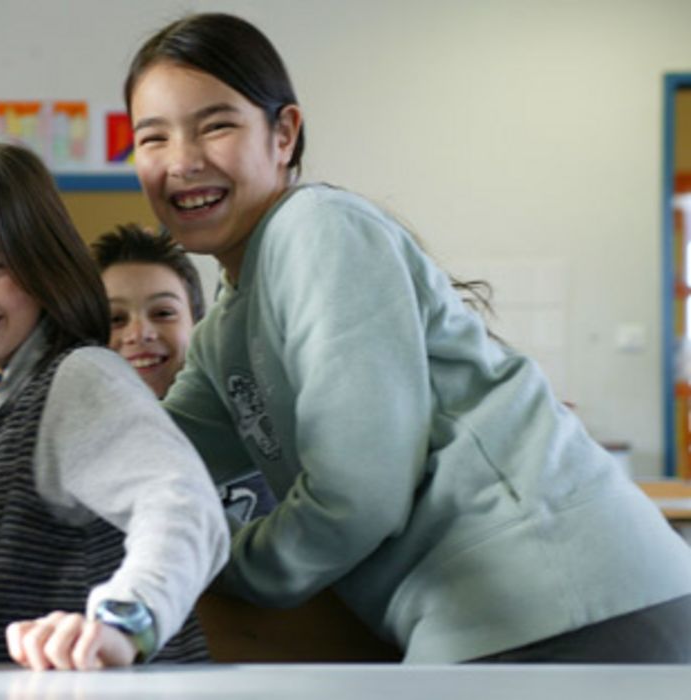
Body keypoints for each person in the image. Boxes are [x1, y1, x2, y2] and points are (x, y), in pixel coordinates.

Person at [127, 12, 691, 663]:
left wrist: (215, 557)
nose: (182, 162)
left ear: (283, 134)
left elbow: (355, 497)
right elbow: (155, 455)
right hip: (491, 614)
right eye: (152, 139)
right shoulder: (227, 321)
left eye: (215, 125)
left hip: (562, 599)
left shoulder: (316, 228)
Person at [0, 139, 228, 670]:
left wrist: (121, 625)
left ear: (42, 260)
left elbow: (184, 508)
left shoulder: (78, 380)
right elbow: (24, 575)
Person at [91, 224, 274, 523]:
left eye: (163, 313)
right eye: (116, 319)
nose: (139, 334)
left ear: (198, 327)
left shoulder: (253, 434)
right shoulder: (81, 455)